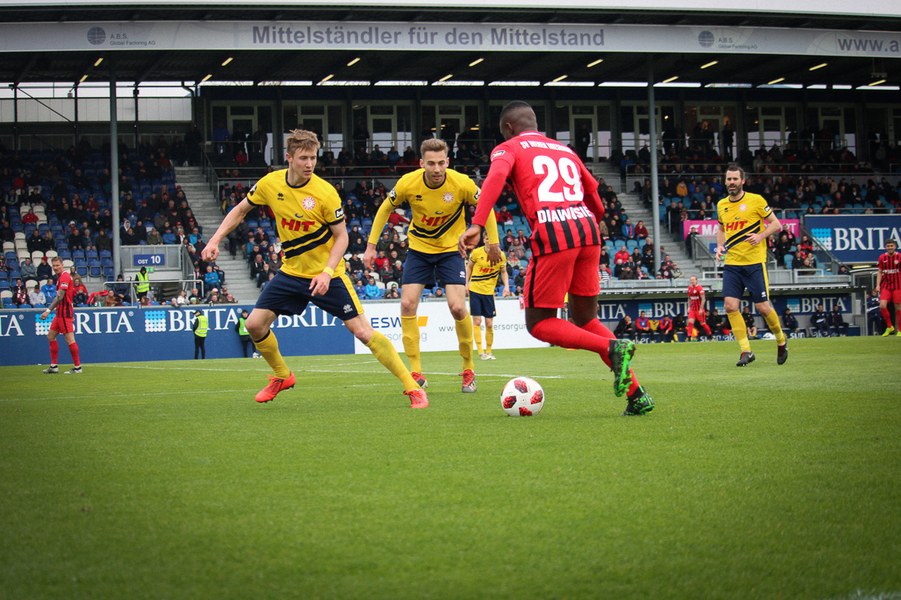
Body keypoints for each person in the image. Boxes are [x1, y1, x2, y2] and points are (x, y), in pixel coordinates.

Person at [201, 129, 428, 408]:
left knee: (362, 332)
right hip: (291, 273)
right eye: (303, 158)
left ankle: (412, 388)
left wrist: (327, 272)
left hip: (328, 275)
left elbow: (342, 237)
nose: (309, 164)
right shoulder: (270, 184)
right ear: (288, 157)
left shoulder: (324, 192)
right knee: (254, 325)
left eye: (313, 158)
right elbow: (239, 210)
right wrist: (215, 240)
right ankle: (282, 375)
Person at [460, 100, 653, 415]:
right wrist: (590, 222)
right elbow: (594, 195)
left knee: (539, 323)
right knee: (586, 319)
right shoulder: (565, 150)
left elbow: (495, 178)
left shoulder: (508, 148)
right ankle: (637, 395)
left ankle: (612, 346)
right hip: (587, 231)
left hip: (554, 232)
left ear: (508, 127)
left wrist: (478, 223)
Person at [363, 137, 500, 394]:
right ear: (421, 163)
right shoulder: (408, 183)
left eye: (441, 163)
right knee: (407, 304)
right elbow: (384, 210)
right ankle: (416, 372)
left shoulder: (461, 183)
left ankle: (468, 369)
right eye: (431, 163)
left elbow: (486, 207)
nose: (436, 169)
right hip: (419, 250)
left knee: (457, 307)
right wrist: (371, 246)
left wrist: (493, 242)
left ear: (447, 162)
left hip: (451, 251)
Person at [715, 164, 788, 366]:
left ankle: (781, 341)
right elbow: (721, 229)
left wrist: (761, 236)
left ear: (742, 181)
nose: (731, 182)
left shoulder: (756, 200)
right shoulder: (721, 204)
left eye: (735, 179)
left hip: (754, 263)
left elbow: (776, 224)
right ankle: (746, 351)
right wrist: (719, 246)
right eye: (728, 179)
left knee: (763, 307)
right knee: (730, 306)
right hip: (732, 264)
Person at [466, 232, 510, 360]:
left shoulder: (500, 255)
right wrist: (466, 283)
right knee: (477, 321)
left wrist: (506, 286)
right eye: (487, 239)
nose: (489, 241)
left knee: (489, 323)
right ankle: (481, 352)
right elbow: (469, 267)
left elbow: (503, 272)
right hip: (475, 290)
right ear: (484, 240)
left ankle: (489, 351)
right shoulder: (476, 253)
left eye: (491, 239)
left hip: (489, 292)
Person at [40, 256, 83, 375]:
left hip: (65, 312)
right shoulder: (60, 277)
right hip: (59, 312)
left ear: (62, 265)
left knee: (70, 340)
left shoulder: (64, 277)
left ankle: (78, 367)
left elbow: (60, 297)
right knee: (51, 336)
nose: (55, 268)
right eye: (54, 266)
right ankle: (54, 366)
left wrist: (48, 310)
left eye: (57, 265)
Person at [875, 239, 901, 336]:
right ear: (886, 247)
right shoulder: (882, 257)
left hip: (898, 286)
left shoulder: (899, 257)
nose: (890, 247)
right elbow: (879, 272)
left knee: (898, 307)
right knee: (882, 305)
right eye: (888, 246)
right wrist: (878, 285)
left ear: (895, 247)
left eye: (891, 246)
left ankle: (900, 330)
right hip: (886, 285)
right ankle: (890, 327)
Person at [686, 276, 712, 341]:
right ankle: (689, 337)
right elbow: (689, 298)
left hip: (699, 309)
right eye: (691, 280)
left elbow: (703, 299)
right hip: (692, 309)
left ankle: (710, 334)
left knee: (702, 323)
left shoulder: (699, 288)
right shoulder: (689, 288)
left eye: (693, 280)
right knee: (690, 322)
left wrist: (701, 309)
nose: (692, 281)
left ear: (696, 280)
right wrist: (689, 307)